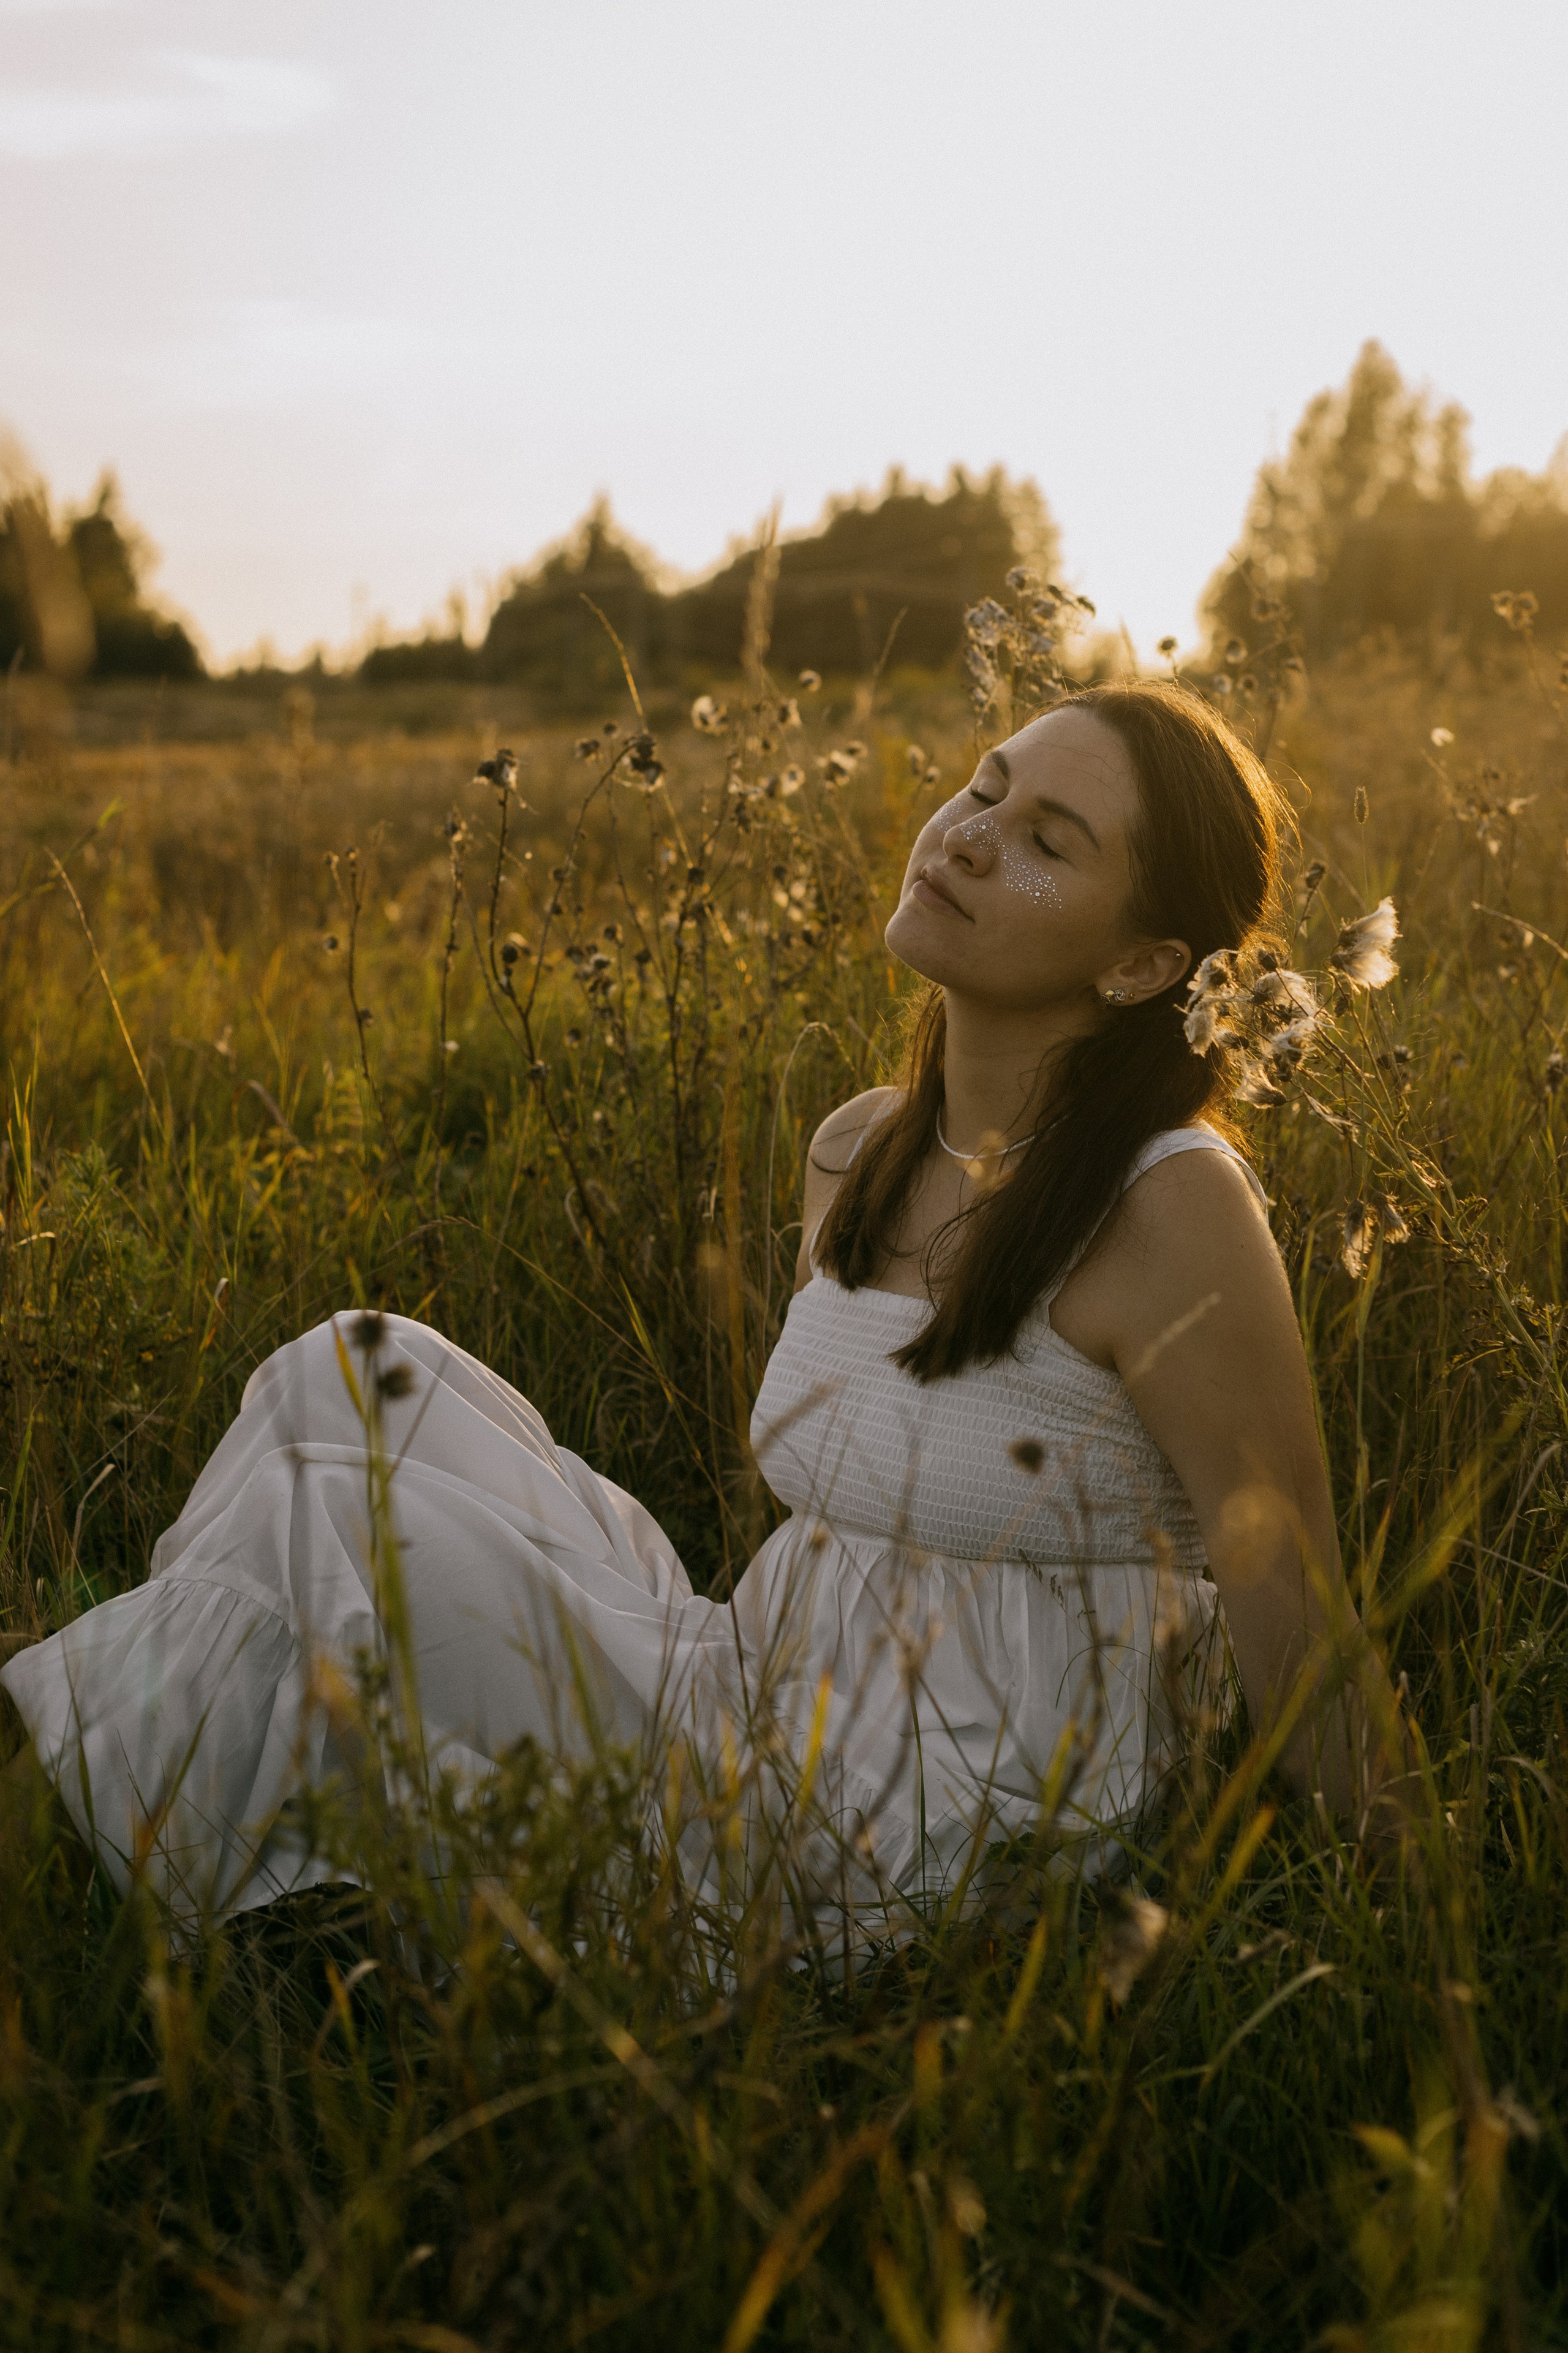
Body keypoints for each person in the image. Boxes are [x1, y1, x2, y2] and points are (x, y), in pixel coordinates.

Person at [0, 683, 1404, 1933]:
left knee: (334, 1514)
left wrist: (1407, 1916)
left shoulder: (1164, 1201)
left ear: (1140, 963)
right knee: (353, 1370)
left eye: (1048, 839)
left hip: (918, 1807)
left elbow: (1287, 1582)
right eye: (984, 787)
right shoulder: (859, 1150)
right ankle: (122, 1733)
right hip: (756, 1678)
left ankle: (69, 1763)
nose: (969, 837)